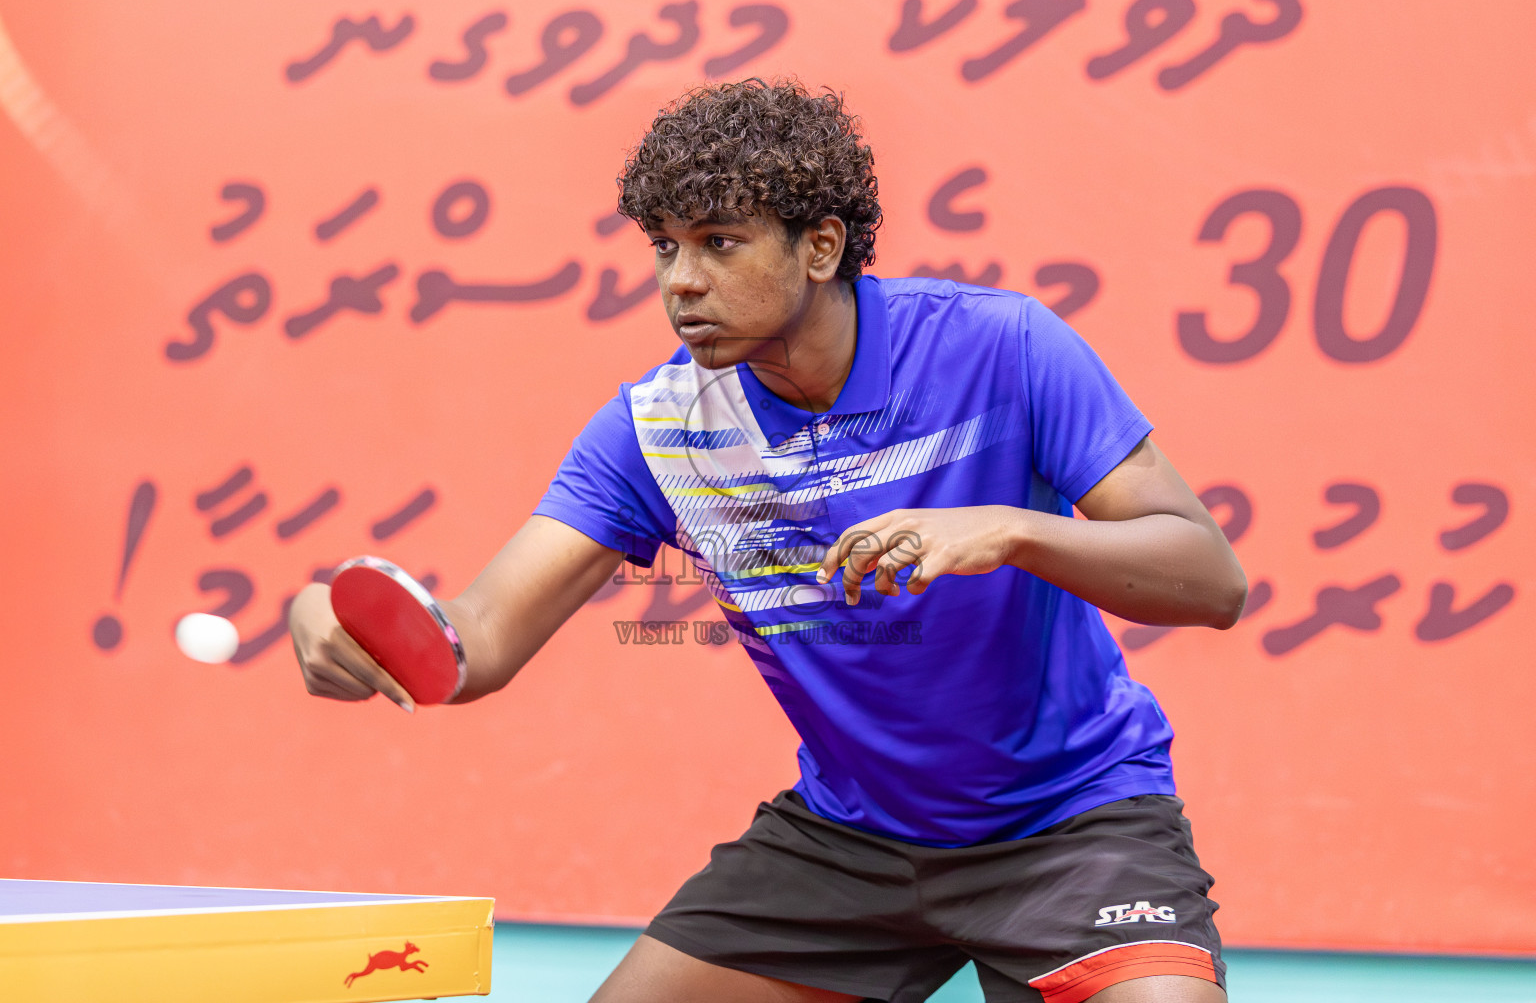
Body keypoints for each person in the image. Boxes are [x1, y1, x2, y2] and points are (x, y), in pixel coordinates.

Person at [288, 78, 1247, 1003]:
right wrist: (336, 616)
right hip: (847, 844)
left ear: (820, 246)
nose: (681, 281)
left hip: (1072, 823)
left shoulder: (1003, 348)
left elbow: (1209, 580)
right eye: (664, 247)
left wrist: (1010, 530)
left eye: (719, 243)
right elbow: (480, 639)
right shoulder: (659, 429)